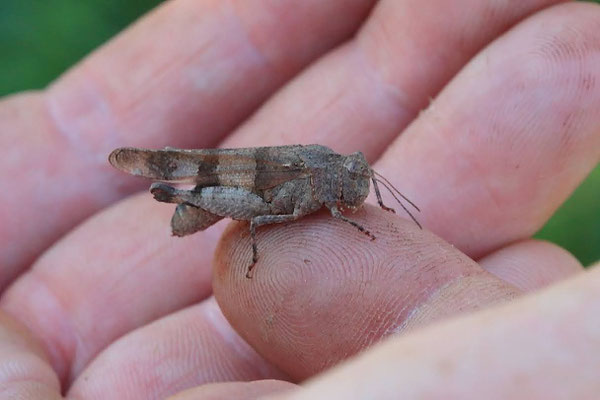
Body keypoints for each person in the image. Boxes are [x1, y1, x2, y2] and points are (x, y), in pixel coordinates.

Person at [1, 1, 599, 398]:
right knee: (222, 194)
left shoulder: (337, 180)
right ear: (335, 178)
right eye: (354, 182)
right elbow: (276, 206)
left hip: (265, 196)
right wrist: (230, 209)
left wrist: (371, 212)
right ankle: (174, 190)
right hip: (238, 191)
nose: (359, 187)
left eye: (360, 181)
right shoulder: (316, 183)